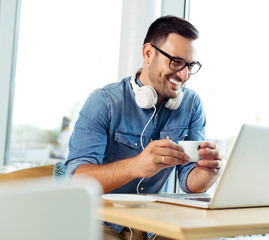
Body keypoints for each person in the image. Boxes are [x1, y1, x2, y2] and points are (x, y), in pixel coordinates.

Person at [64, 15, 222, 240]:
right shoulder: (104, 102)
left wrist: (207, 174)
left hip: (158, 227)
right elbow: (76, 180)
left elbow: (190, 182)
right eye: (176, 62)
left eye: (190, 65)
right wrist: (136, 166)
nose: (184, 75)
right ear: (148, 53)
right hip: (103, 224)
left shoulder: (191, 105)